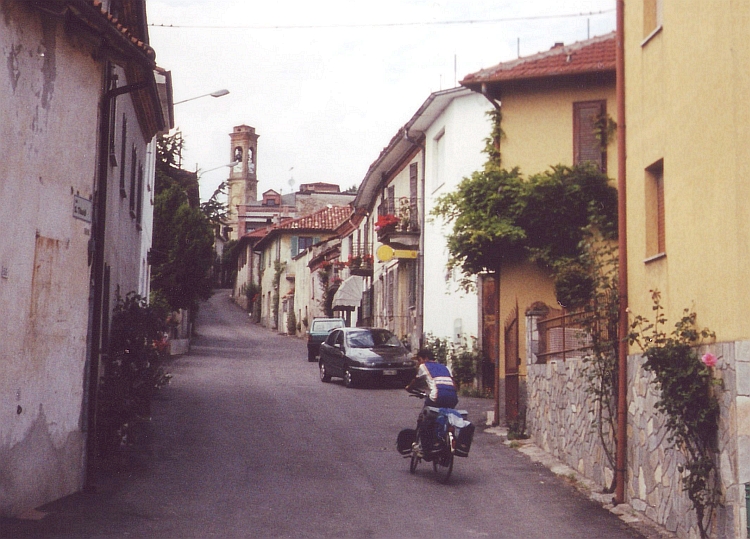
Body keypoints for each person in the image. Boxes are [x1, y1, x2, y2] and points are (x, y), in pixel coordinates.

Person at [405, 349, 458, 455]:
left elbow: (415, 381)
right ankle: (444, 436)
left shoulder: (423, 367)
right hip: (453, 397)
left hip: (437, 396)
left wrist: (409, 388)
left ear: (425, 358)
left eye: (419, 360)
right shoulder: (445, 367)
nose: (419, 363)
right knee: (444, 415)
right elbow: (454, 385)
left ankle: (426, 446)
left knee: (425, 417)